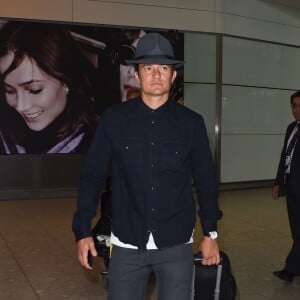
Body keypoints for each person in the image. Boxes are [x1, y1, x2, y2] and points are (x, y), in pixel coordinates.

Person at [72, 32, 222, 300]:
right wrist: (82, 229)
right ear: (137, 75)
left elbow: (206, 180)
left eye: (163, 68)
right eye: (148, 67)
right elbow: (92, 176)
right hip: (127, 241)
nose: (156, 74)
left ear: (173, 76)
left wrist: (210, 232)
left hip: (176, 242)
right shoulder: (114, 119)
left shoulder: (191, 123)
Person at [0, 21, 99, 154]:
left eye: (35, 90)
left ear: (66, 81)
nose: (21, 106)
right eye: (10, 91)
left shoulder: (100, 144)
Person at [272, 91, 300, 282]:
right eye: (294, 106)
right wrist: (278, 182)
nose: (297, 110)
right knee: (296, 230)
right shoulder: (292, 128)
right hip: (292, 188)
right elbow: (285, 157)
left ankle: (291, 269)